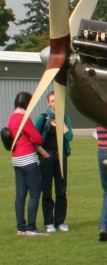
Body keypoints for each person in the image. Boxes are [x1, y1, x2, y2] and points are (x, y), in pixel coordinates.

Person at [9, 91, 50, 236]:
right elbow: (37, 138)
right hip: (27, 158)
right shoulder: (23, 118)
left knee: (20, 194)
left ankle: (21, 227)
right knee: (34, 193)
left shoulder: (12, 117)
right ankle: (31, 227)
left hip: (16, 158)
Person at [36, 91, 73, 232]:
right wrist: (43, 153)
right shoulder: (43, 118)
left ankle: (60, 222)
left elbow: (69, 137)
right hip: (47, 158)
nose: (54, 104)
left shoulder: (65, 118)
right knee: (47, 190)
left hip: (60, 157)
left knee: (61, 190)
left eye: (57, 101)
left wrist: (62, 123)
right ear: (48, 103)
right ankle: (48, 222)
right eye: (52, 101)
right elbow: (34, 138)